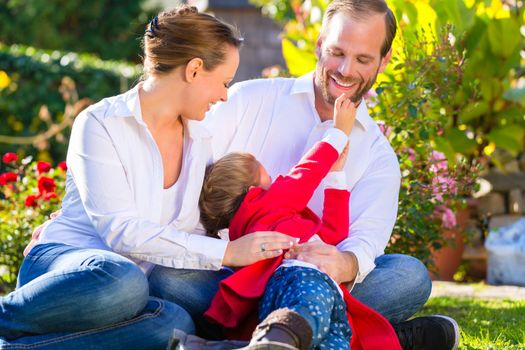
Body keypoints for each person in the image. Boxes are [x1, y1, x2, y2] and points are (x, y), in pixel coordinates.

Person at [1, 6, 297, 350]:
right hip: (71, 271)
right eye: (223, 83)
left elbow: (195, 233)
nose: (224, 96)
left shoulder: (201, 138)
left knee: (173, 323)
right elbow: (121, 232)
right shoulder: (100, 124)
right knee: (122, 281)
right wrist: (227, 251)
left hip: (134, 287)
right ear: (195, 69)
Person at [173, 0, 460, 349]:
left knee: (408, 276)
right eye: (336, 52)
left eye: (363, 59)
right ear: (319, 43)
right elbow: (188, 184)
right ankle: (371, 336)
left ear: (384, 61)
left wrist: (344, 263)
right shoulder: (248, 100)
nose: (345, 69)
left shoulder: (378, 157)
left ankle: (255, 337)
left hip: (318, 278)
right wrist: (230, 251)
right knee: (170, 280)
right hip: (234, 276)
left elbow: (363, 240)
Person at [198, 94, 402, 350]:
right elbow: (307, 172)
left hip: (299, 293)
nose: (278, 178)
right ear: (252, 188)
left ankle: (274, 340)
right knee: (308, 310)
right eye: (268, 173)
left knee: (332, 338)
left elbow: (333, 235)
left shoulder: (257, 228)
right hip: (299, 279)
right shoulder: (265, 203)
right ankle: (273, 340)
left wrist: (336, 175)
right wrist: (339, 132)